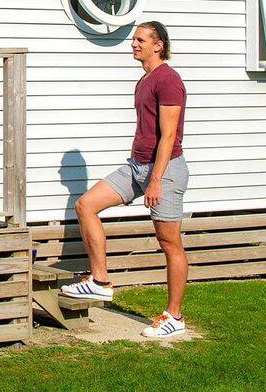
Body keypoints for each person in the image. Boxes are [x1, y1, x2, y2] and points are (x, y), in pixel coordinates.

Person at [62, 21, 189, 338]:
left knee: (169, 243)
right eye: (134, 39)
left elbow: (169, 134)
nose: (133, 43)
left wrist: (156, 179)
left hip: (166, 169)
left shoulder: (168, 80)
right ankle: (100, 280)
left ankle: (174, 316)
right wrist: (144, 171)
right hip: (137, 166)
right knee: (86, 205)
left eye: (140, 39)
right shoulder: (144, 80)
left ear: (158, 45)